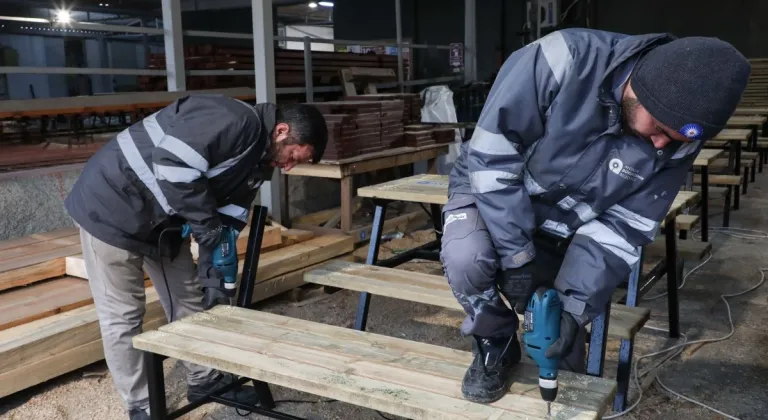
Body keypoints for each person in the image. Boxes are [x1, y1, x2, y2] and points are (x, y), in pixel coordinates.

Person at [441, 28, 751, 404]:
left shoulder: (677, 141)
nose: (661, 145)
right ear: (639, 88)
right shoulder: (562, 60)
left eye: (676, 141)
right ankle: (494, 341)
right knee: (467, 258)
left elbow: (623, 229)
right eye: (659, 129)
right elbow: (493, 160)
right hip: (490, 191)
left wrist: (572, 310)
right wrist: (517, 254)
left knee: (561, 339)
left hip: (570, 223)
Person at [64, 94, 328, 419]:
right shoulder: (235, 120)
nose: (289, 166)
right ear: (282, 131)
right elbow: (173, 166)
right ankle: (143, 405)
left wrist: (214, 275)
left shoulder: (258, 164)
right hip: (112, 205)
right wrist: (208, 230)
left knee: (188, 299)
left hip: (164, 220)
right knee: (124, 316)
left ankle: (205, 379)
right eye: (292, 156)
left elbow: (228, 220)